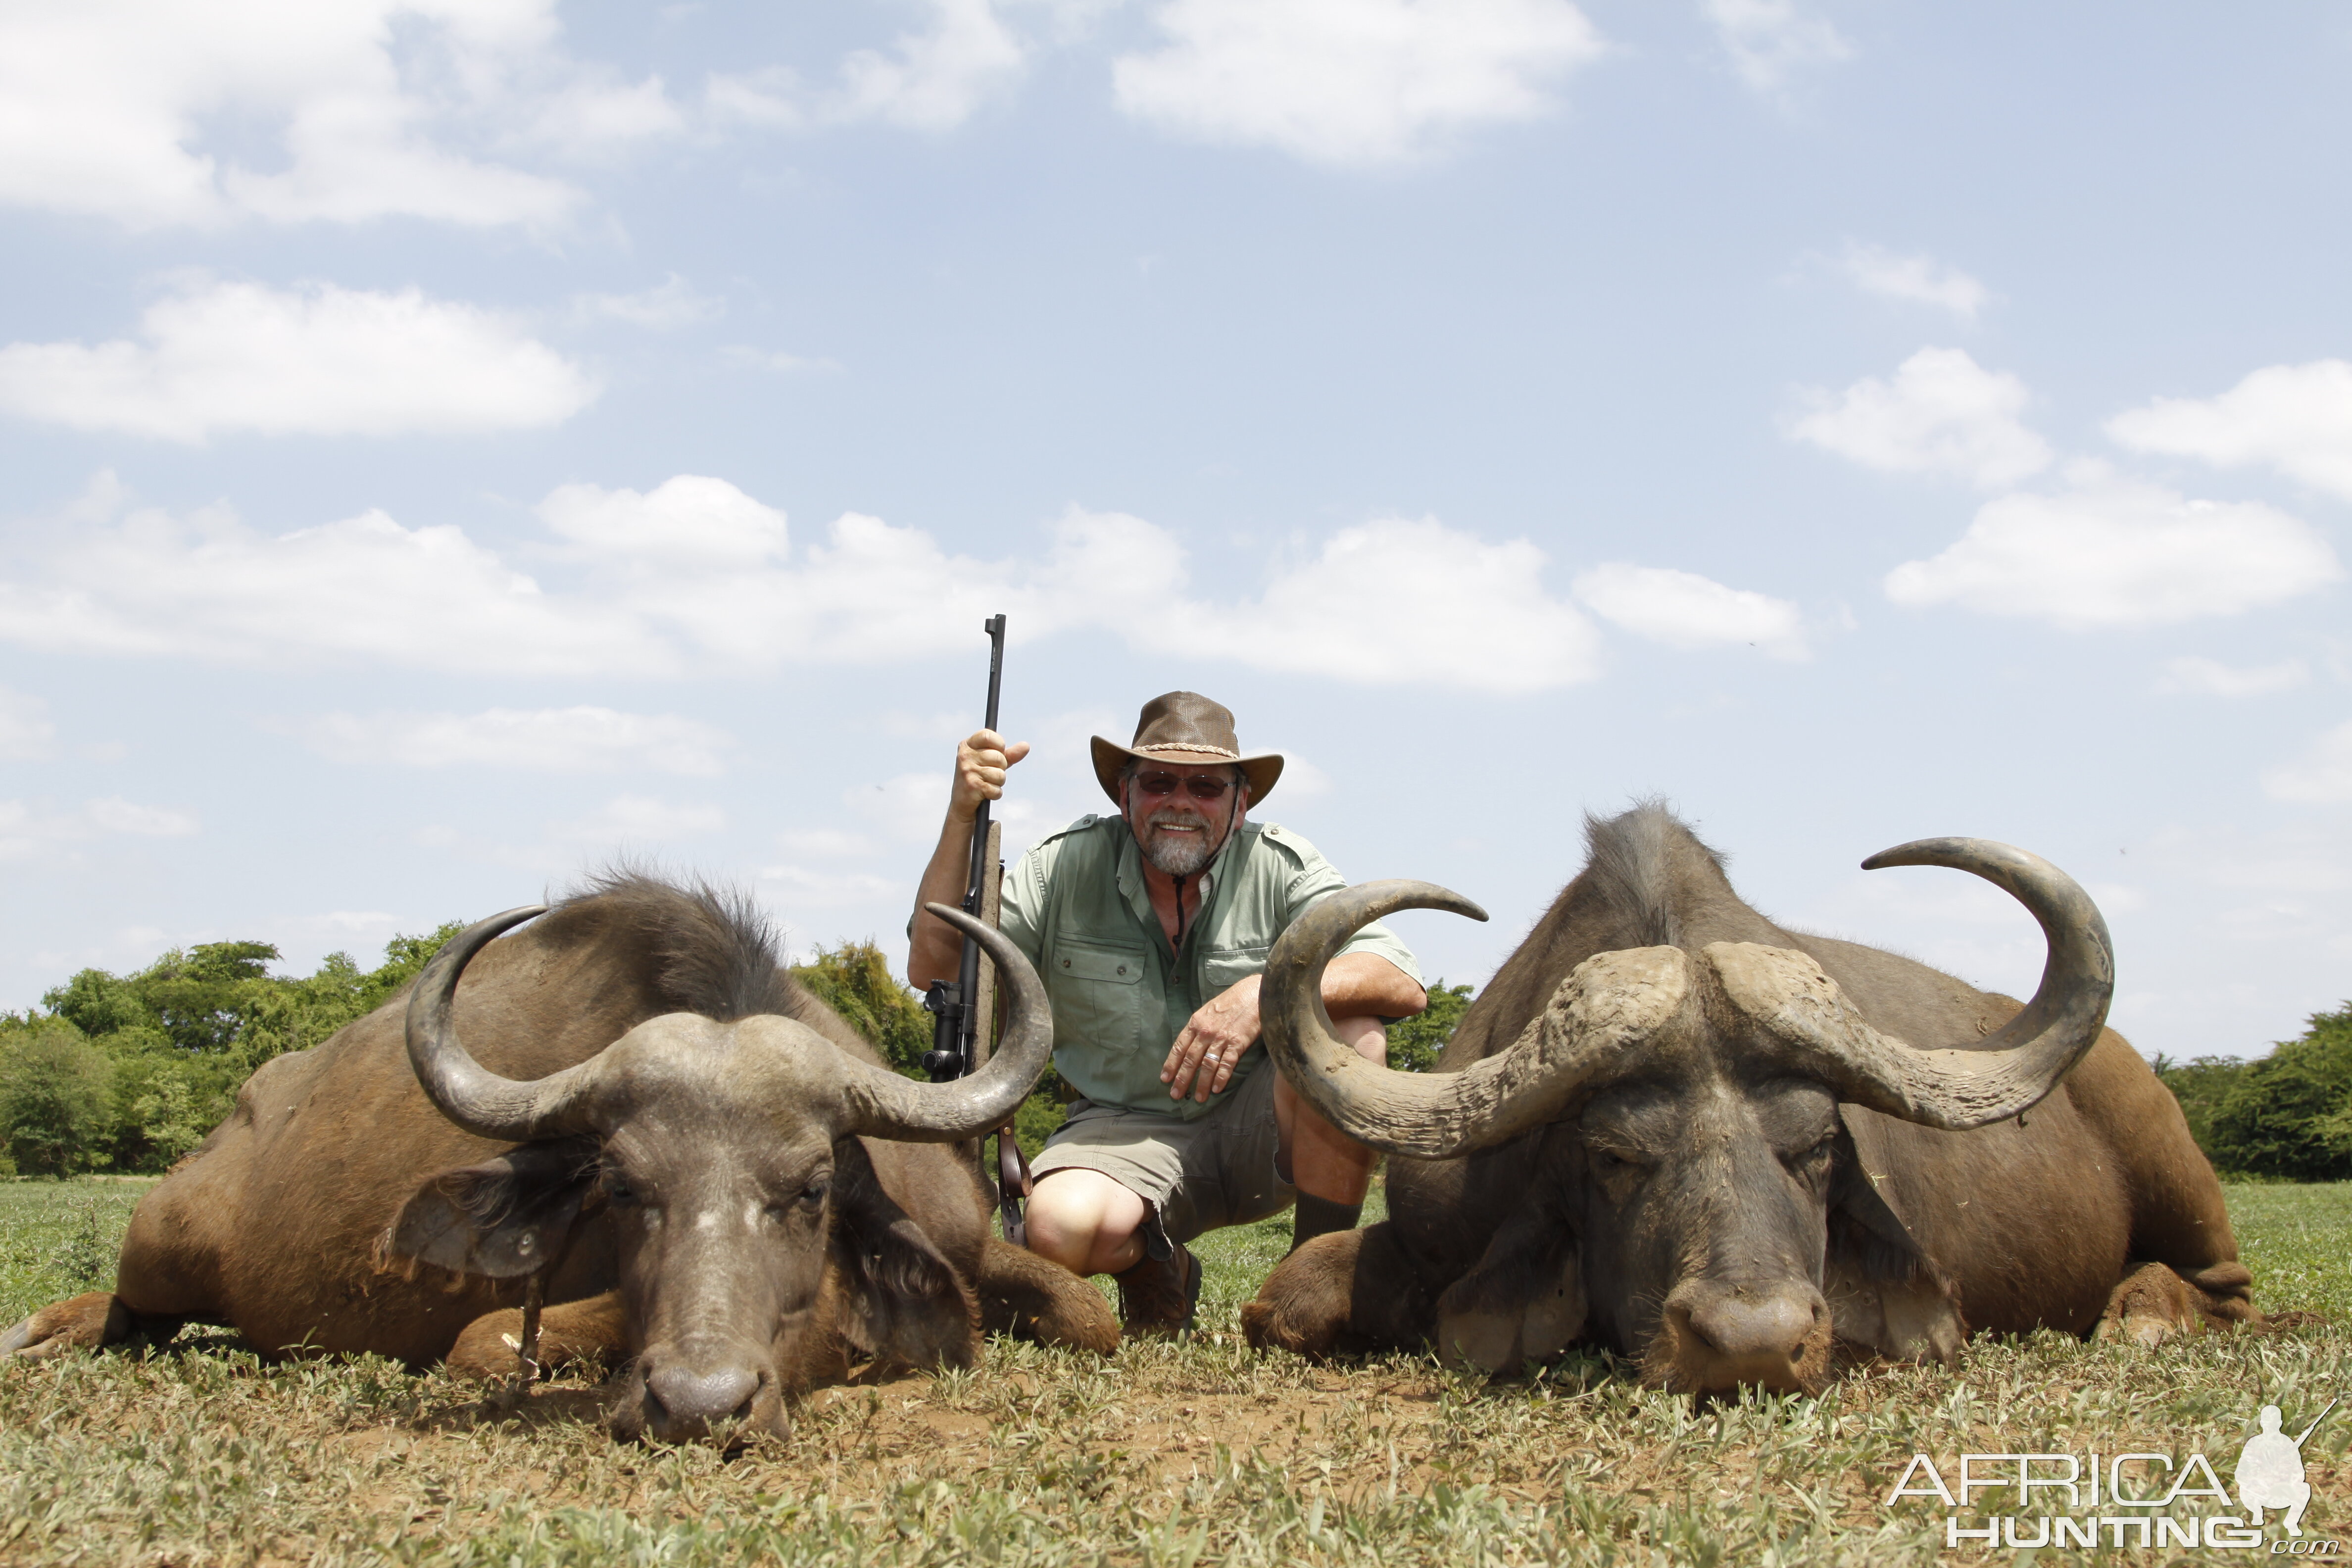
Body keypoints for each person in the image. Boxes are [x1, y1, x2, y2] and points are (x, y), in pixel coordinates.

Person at [907, 691, 1426, 1337]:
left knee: (1355, 1040)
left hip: (1261, 1127)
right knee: (1056, 1230)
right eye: (1158, 782)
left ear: (1241, 807)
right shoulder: (1064, 863)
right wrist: (962, 816)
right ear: (1125, 797)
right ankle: (1159, 1266)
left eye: (1207, 786)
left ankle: (1310, 1292)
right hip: (1118, 1131)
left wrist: (1259, 996)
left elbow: (1398, 980)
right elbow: (936, 969)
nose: (1181, 801)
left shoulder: (1283, 865)